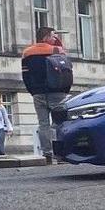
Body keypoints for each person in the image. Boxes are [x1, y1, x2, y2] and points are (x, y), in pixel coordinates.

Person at [21, 27, 68, 164]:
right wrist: (64, 90)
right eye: (53, 36)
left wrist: (33, 91)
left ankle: (47, 154)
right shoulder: (56, 50)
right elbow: (66, 71)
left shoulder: (27, 53)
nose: (54, 38)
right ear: (47, 37)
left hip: (38, 93)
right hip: (57, 92)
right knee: (59, 123)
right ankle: (60, 155)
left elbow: (25, 75)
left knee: (43, 125)